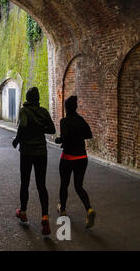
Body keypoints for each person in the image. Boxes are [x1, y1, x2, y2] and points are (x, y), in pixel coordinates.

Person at [12, 87, 56, 237]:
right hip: (41, 152)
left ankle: (23, 211)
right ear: (37, 98)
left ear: (27, 98)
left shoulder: (24, 111)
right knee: (41, 185)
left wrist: (16, 141)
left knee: (25, 182)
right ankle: (45, 216)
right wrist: (39, 127)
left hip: (27, 152)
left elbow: (22, 127)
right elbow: (51, 129)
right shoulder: (43, 111)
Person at [55, 95, 96, 228]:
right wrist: (78, 135)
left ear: (67, 108)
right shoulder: (81, 120)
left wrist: (58, 140)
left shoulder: (64, 121)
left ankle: (63, 209)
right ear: (76, 107)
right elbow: (88, 135)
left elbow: (64, 139)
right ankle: (89, 209)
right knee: (79, 186)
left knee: (64, 184)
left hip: (68, 158)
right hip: (82, 158)